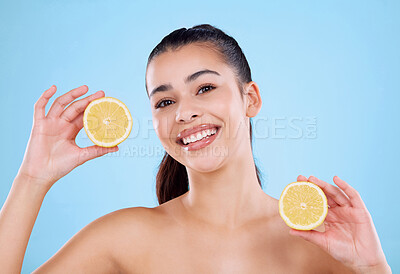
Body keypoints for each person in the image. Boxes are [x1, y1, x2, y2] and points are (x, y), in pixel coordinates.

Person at [0, 24, 391, 273]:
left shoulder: (321, 243)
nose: (184, 112)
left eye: (205, 88)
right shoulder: (125, 237)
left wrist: (373, 267)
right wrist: (32, 178)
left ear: (250, 98)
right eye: (164, 101)